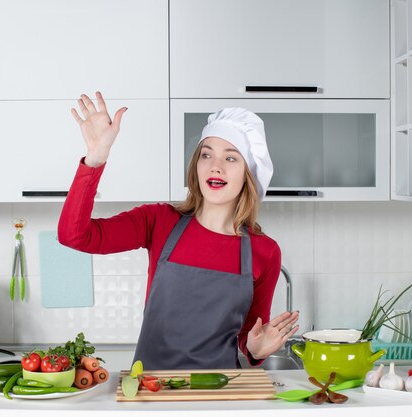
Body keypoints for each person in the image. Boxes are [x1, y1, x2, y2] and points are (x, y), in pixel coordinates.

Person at [58, 91, 299, 370]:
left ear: (249, 175)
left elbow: (250, 334)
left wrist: (256, 349)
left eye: (231, 158)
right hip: (152, 389)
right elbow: (74, 235)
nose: (215, 166)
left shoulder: (265, 251)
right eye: (206, 154)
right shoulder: (159, 220)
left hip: (220, 392)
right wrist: (95, 158)